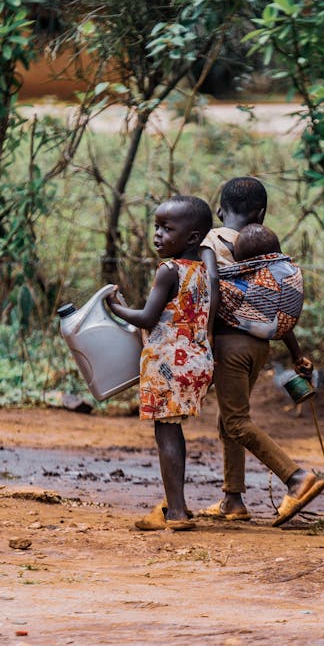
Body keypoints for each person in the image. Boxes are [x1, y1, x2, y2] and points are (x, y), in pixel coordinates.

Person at [200, 177, 324, 526]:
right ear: (261, 213)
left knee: (237, 421)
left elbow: (211, 285)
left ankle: (297, 479)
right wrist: (296, 353)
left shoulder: (213, 239)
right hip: (259, 348)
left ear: (219, 210)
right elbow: (275, 306)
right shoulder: (266, 248)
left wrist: (207, 335)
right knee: (229, 420)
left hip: (229, 344)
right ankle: (232, 500)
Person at [107, 195, 214, 531]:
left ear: (193, 237)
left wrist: (112, 304)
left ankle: (178, 512)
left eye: (167, 229)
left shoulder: (169, 270)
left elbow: (147, 317)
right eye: (156, 227)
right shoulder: (204, 271)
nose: (157, 235)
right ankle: (176, 506)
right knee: (173, 431)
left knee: (165, 433)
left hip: (168, 361)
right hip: (196, 360)